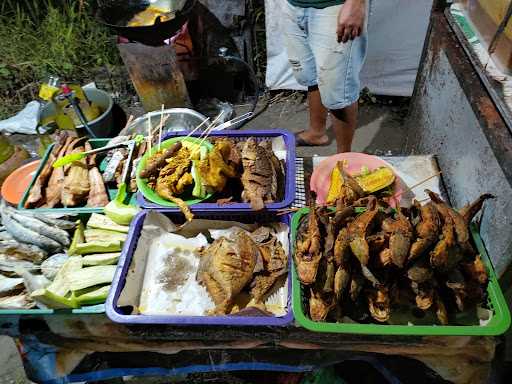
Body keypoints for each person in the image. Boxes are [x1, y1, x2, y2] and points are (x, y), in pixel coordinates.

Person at [282, 0, 369, 153]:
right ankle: (316, 133)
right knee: (311, 74)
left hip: (335, 5)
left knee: (339, 88)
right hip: (293, 5)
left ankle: (343, 158)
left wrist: (356, 3)